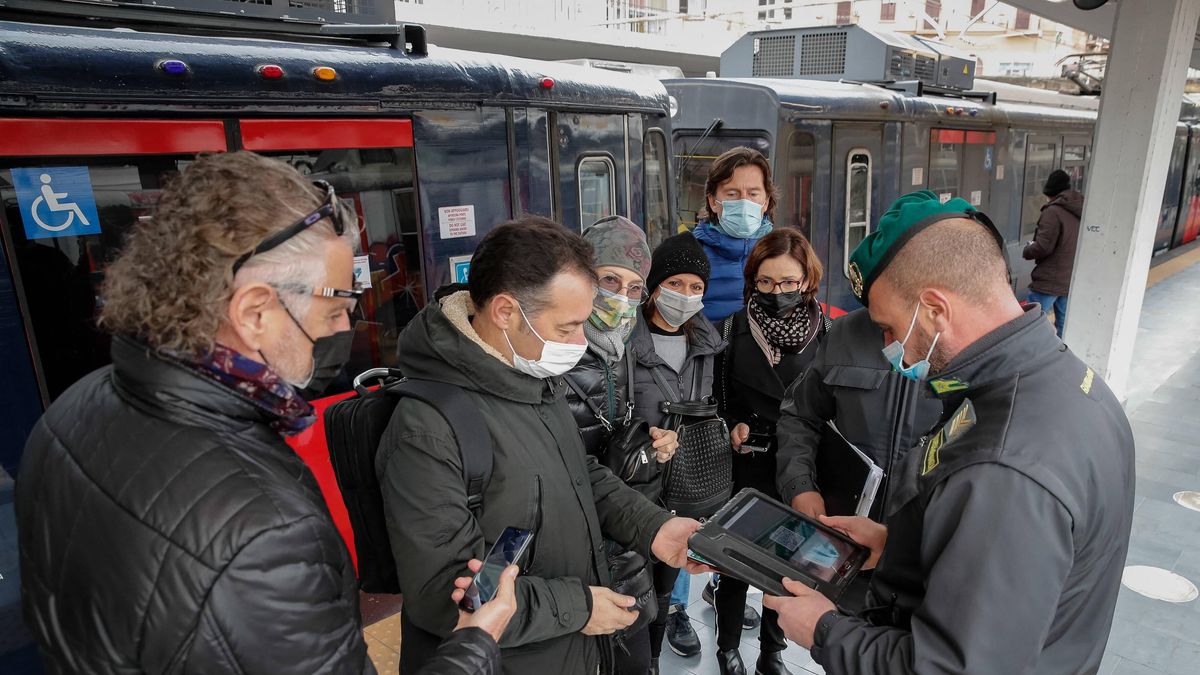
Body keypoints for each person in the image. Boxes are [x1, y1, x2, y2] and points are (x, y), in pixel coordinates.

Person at [14, 151, 515, 674]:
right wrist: (474, 643)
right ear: (254, 311)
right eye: (336, 307)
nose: (345, 328)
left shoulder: (77, 405)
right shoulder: (263, 526)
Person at [762, 191, 1135, 674]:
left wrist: (825, 630)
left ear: (935, 308)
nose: (890, 347)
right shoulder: (1067, 385)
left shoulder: (1004, 466)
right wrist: (895, 543)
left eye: (890, 327)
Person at [377, 216, 706, 675]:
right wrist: (580, 608)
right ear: (506, 312)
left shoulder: (531, 378)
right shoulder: (427, 431)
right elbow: (445, 596)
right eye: (568, 327)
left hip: (568, 651)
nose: (579, 342)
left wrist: (654, 528)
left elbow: (580, 475)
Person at [564, 216, 681, 675]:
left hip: (617, 537)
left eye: (635, 288)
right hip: (573, 555)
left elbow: (611, 437)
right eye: (609, 280)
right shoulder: (553, 348)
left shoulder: (622, 347)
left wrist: (649, 447)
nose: (621, 297)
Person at [711, 229, 830, 675]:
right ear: (752, 281)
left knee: (792, 566)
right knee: (737, 564)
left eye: (787, 282)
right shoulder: (732, 328)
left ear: (806, 280)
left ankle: (772, 650)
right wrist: (730, 424)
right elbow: (718, 398)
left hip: (801, 466)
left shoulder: (827, 330)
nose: (776, 292)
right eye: (765, 282)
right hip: (749, 461)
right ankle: (726, 646)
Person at [626, 232, 727, 673]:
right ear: (654, 286)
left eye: (696, 287)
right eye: (675, 284)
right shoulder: (625, 339)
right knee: (635, 579)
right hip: (638, 477)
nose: (685, 296)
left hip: (688, 477)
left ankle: (656, 645)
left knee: (669, 576)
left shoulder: (708, 344)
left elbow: (716, 403)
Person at [694, 146, 776, 324]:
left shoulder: (783, 253)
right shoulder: (690, 253)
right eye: (732, 194)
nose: (744, 202)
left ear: (766, 202)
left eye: (753, 194)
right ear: (712, 201)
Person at [1023, 169, 1082, 337]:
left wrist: (1028, 249)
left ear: (1050, 191)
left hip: (1050, 280)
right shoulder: (1079, 208)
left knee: (1029, 325)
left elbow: (1043, 246)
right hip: (1068, 279)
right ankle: (1061, 357)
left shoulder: (1053, 212)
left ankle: (1029, 358)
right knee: (1064, 326)